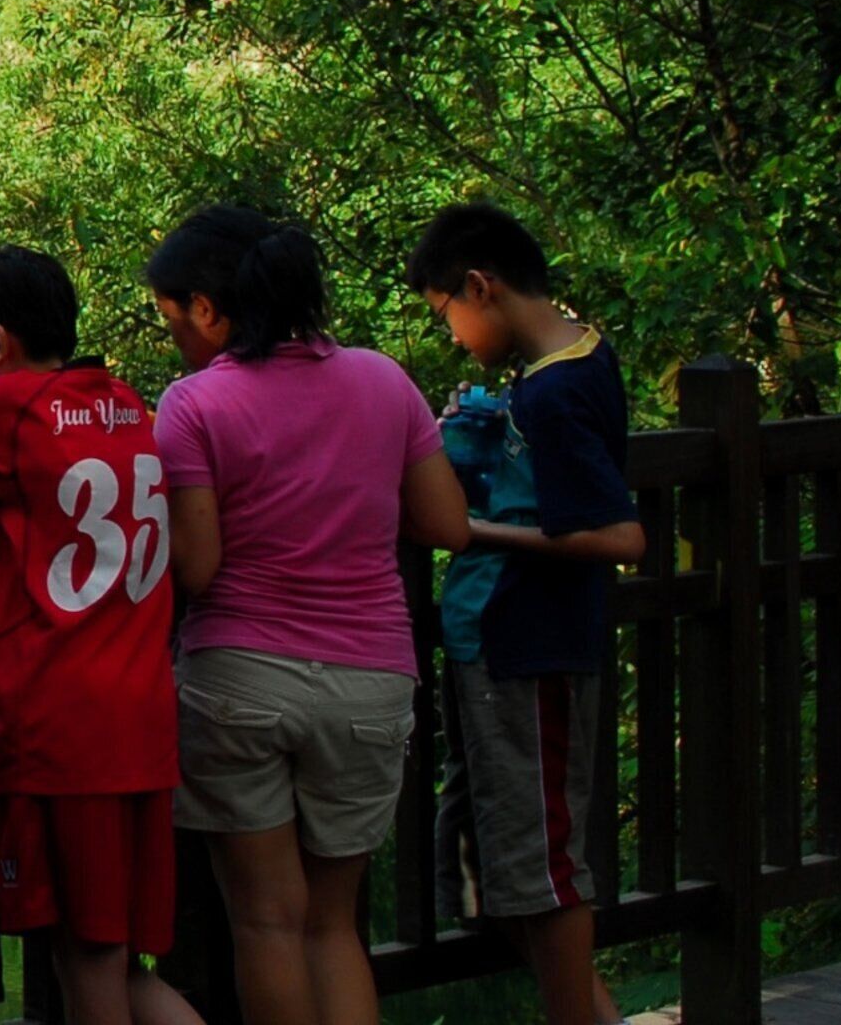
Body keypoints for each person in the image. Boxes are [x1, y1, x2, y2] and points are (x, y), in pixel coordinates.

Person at [147, 206, 470, 1025]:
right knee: (333, 926)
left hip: (240, 679)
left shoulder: (192, 406)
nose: (173, 338)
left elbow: (200, 565)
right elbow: (444, 526)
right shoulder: (383, 379)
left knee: (266, 922)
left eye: (173, 318)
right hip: (369, 681)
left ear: (210, 310)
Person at [0, 248, 203, 1025]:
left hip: (63, 730)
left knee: (86, 959)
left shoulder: (13, 410)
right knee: (123, 961)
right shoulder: (125, 401)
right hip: (141, 716)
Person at [414, 205, 643, 1025]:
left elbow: (620, 533)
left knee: (541, 870)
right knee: (493, 872)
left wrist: (472, 530)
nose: (450, 335)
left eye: (446, 314)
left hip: (532, 649)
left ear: (482, 286)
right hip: (496, 646)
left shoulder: (558, 387)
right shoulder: (562, 366)